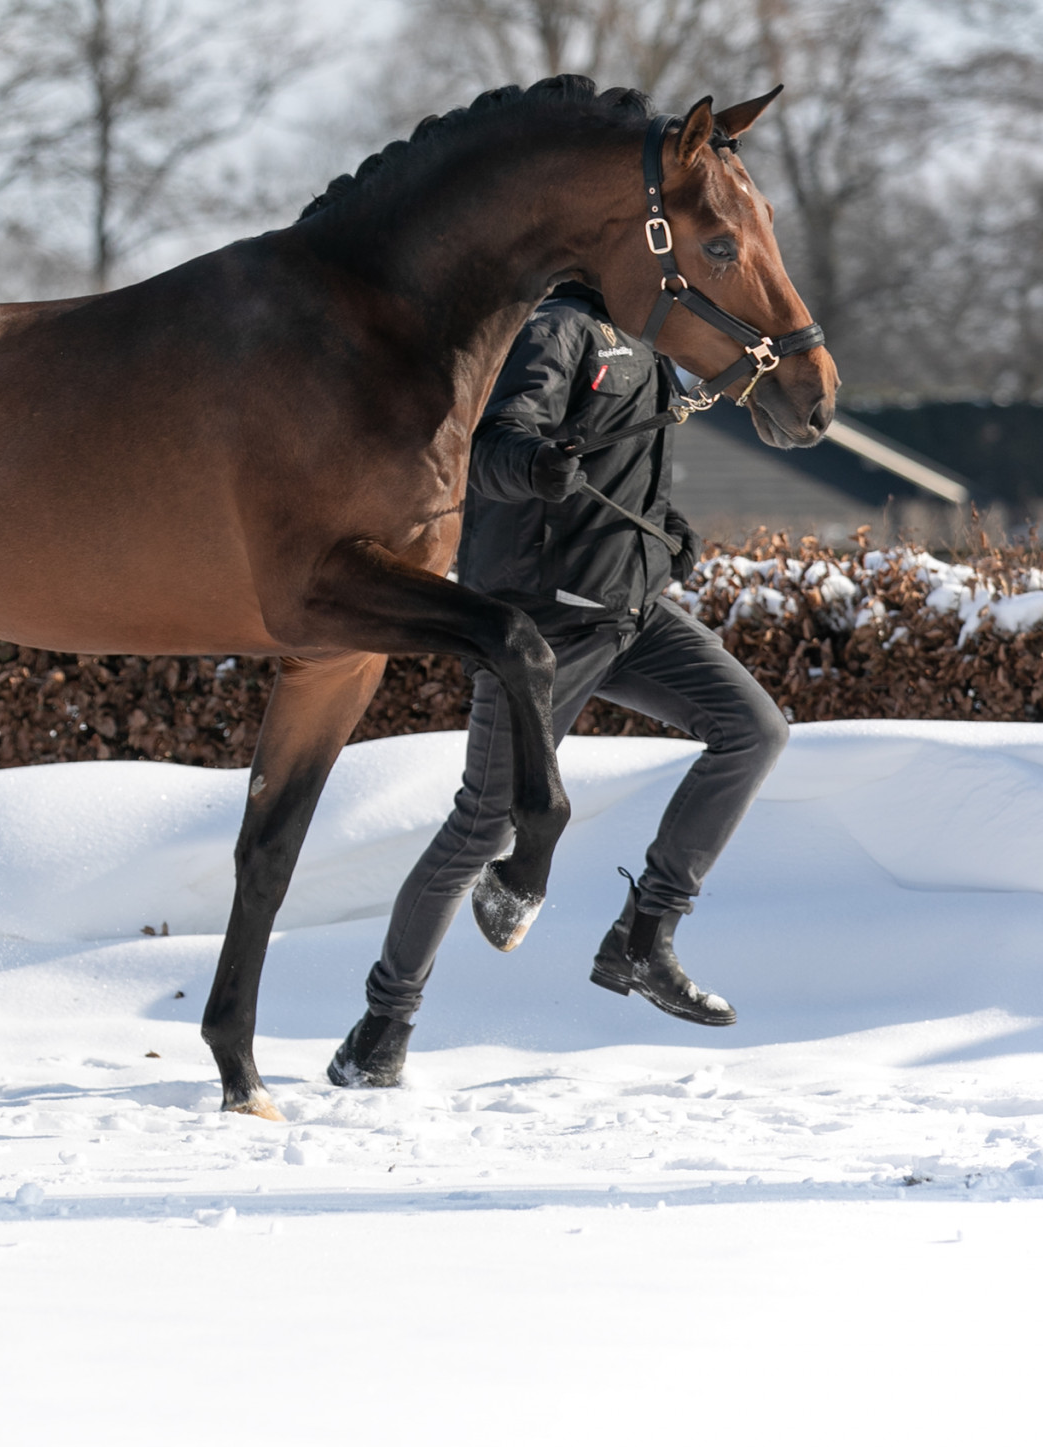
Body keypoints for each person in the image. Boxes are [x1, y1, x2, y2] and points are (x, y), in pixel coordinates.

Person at [327, 279, 790, 1089]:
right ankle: (381, 1027)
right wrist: (533, 463)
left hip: (632, 615)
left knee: (755, 729)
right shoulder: (558, 330)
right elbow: (494, 447)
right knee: (480, 827)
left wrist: (665, 534)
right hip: (542, 625)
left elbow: (625, 470)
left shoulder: (648, 344)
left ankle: (643, 938)